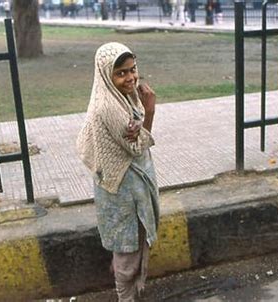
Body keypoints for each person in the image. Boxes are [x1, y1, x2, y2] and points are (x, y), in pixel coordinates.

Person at [77, 42, 159, 302]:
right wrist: (150, 111)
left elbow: (136, 136)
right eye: (121, 73)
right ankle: (125, 296)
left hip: (130, 185)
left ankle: (127, 284)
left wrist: (140, 118)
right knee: (127, 250)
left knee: (132, 244)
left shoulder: (124, 95)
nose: (130, 77)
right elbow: (136, 146)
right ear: (105, 75)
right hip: (121, 189)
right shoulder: (108, 106)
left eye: (132, 69)